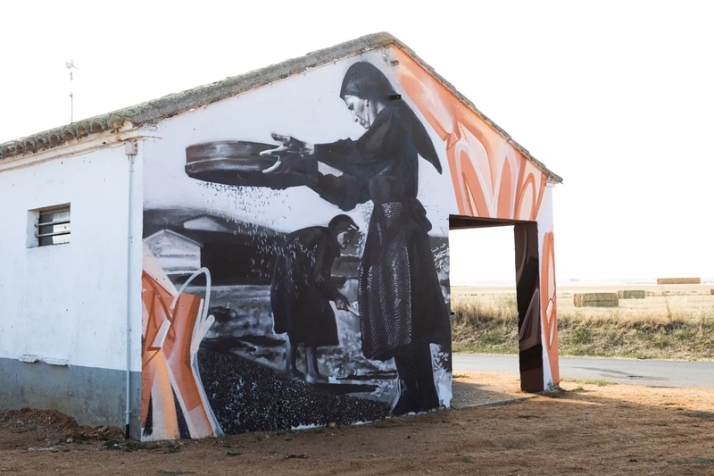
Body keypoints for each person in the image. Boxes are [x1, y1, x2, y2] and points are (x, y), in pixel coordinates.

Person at [262, 61, 451, 414]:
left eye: (351, 106)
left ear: (366, 97)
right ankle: (417, 392)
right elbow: (348, 192)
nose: (353, 116)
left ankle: (417, 393)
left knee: (403, 313)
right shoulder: (381, 143)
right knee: (398, 314)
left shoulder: (393, 121)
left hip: (400, 232)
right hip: (388, 230)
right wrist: (308, 174)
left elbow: (363, 153)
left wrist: (311, 150)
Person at [270, 214, 359, 384]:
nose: (348, 241)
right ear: (338, 231)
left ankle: (292, 368)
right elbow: (319, 277)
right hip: (296, 286)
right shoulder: (327, 243)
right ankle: (311, 372)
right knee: (314, 322)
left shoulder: (320, 237)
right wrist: (336, 296)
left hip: (286, 286)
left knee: (294, 326)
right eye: (347, 236)